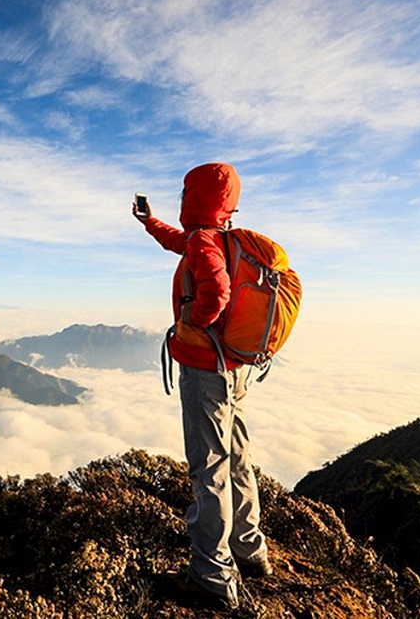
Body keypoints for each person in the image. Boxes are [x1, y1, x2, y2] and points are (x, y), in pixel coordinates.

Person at [133, 162, 272, 611]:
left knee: (208, 466)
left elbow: (216, 290)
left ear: (195, 196)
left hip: (206, 372)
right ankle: (250, 550)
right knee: (237, 457)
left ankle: (211, 574)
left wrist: (192, 320)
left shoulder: (204, 242)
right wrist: (150, 222)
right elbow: (183, 244)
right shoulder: (222, 238)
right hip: (233, 368)